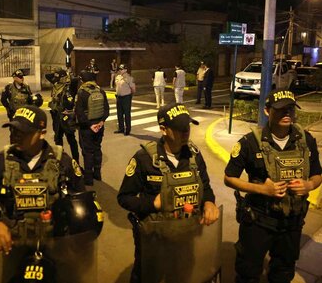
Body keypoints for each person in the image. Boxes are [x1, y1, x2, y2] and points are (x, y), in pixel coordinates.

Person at [0, 105, 86, 281]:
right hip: (14, 246)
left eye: (22, 132)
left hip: (55, 245)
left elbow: (80, 202)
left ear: (42, 133)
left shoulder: (62, 162)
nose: (14, 136)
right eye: (12, 129)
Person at [224, 88, 322, 283]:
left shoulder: (305, 140)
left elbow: (317, 174)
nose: (287, 114)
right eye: (281, 110)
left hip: (291, 222)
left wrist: (309, 185)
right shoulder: (250, 142)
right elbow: (229, 177)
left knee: (284, 271)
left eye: (291, 110)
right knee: (248, 271)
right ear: (267, 111)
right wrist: (262, 189)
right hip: (258, 221)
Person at [117, 102, 220, 283]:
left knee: (182, 275)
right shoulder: (144, 159)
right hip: (154, 239)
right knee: (148, 276)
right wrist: (152, 204)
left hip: (186, 236)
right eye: (179, 128)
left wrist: (209, 202)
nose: (186, 132)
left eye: (187, 126)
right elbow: (124, 198)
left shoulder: (194, 156)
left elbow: (206, 187)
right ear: (163, 129)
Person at [75, 70, 109, 186]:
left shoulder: (82, 92)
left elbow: (79, 112)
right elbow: (106, 109)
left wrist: (90, 125)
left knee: (88, 152)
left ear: (82, 80)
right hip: (99, 126)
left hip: (87, 127)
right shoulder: (101, 90)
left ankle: (88, 179)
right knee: (97, 149)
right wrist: (101, 122)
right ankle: (97, 174)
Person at [46, 69, 80, 163]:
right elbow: (47, 76)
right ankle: (61, 160)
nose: (55, 79)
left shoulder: (69, 87)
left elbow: (76, 80)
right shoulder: (56, 85)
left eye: (58, 77)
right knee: (58, 139)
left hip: (66, 117)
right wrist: (57, 74)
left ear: (64, 78)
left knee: (71, 139)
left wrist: (68, 75)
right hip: (56, 116)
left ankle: (76, 162)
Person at [114, 64, 135, 136]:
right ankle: (121, 128)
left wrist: (130, 96)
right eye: (119, 69)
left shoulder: (129, 78)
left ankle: (128, 129)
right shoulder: (118, 77)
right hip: (119, 97)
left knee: (126, 114)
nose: (120, 70)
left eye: (121, 69)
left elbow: (133, 89)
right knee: (119, 114)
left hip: (126, 97)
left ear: (125, 70)